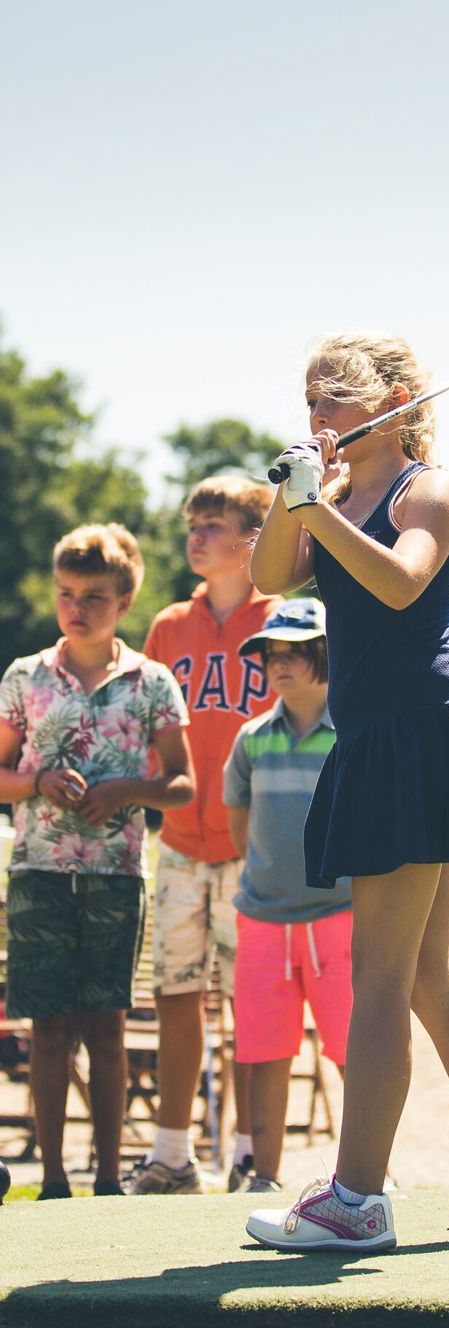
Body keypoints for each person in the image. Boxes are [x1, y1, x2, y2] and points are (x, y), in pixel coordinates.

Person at [244, 332, 449, 1252]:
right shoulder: (335, 493)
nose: (317, 414)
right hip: (381, 739)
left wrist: (317, 506)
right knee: (428, 981)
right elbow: (269, 576)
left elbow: (400, 581)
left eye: (333, 396)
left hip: (418, 735)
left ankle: (355, 1202)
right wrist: (296, 498)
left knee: (377, 982)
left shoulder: (430, 489)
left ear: (391, 399)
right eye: (310, 398)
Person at [0, 523, 194, 1199]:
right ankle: (54, 1181)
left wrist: (126, 790)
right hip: (38, 872)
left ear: (124, 600)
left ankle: (108, 1182)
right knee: (49, 1030)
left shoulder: (152, 681)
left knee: (108, 1029)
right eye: (65, 593)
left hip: (117, 873)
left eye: (93, 596)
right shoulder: (25, 676)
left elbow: (183, 783)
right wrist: (38, 781)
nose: (76, 607)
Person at [129, 475, 281, 1196]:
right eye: (192, 524)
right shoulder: (168, 626)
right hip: (181, 846)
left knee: (254, 1003)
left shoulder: (284, 621)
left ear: (253, 537)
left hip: (255, 845)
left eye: (213, 524)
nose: (196, 536)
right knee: (176, 993)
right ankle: (172, 1154)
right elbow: (147, 733)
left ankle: (250, 1153)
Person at [223, 596, 352, 1193]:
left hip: (340, 918)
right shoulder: (251, 739)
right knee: (264, 1054)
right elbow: (239, 827)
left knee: (355, 1052)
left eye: (296, 652)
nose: (279, 663)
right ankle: (265, 1176)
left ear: (328, 654)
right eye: (271, 652)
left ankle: (367, 1174)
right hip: (262, 922)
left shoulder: (352, 735)